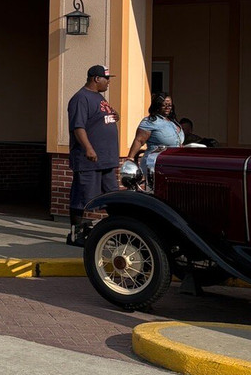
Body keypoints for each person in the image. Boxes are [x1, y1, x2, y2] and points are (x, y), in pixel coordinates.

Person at [66, 65, 119, 243]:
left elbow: (100, 118)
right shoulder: (80, 98)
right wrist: (88, 148)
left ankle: (117, 231)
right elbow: (78, 127)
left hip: (106, 159)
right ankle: (75, 235)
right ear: (96, 79)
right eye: (106, 78)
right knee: (82, 197)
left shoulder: (99, 97)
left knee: (112, 197)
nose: (108, 82)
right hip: (89, 160)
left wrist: (114, 115)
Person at [127, 92, 184, 181]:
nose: (167, 107)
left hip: (173, 164)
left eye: (170, 105)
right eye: (164, 105)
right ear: (157, 105)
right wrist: (130, 159)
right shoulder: (150, 122)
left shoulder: (173, 121)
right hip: (155, 163)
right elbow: (139, 141)